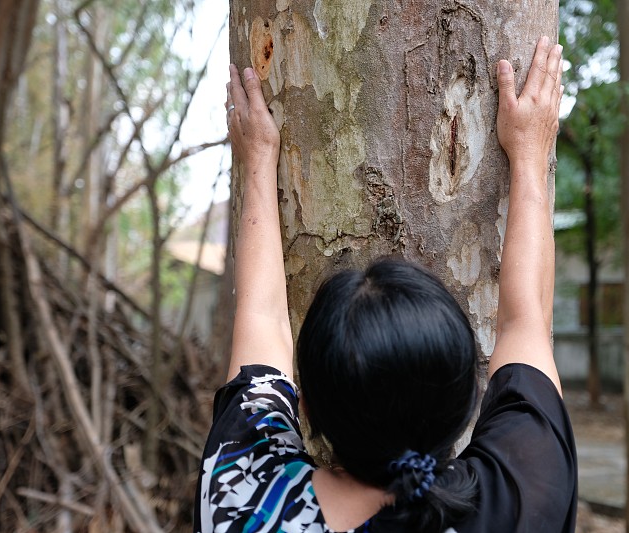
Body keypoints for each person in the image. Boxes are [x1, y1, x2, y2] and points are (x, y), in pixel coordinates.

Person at [195, 36, 576, 533]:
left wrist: (259, 159)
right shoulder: (523, 496)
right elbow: (526, 321)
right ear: (471, 401)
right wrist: (529, 155)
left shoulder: (239, 494)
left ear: (304, 403)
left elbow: (261, 316)